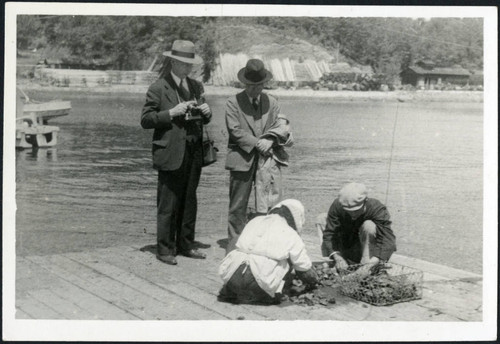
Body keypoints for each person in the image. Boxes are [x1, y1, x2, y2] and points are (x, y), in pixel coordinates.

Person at [141, 40, 212, 266]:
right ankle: (165, 249)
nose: (188, 68)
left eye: (190, 64)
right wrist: (171, 113)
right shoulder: (158, 88)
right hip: (170, 152)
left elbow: (203, 119)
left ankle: (185, 244)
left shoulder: (196, 87)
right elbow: (146, 120)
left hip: (193, 152)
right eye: (183, 63)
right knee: (168, 203)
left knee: (189, 200)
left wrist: (207, 113)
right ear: (173, 62)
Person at [225, 58, 292, 247]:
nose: (255, 89)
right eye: (251, 85)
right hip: (241, 159)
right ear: (244, 83)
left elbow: (281, 125)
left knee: (269, 203)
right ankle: (234, 245)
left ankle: (264, 243)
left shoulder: (272, 102)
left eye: (259, 85)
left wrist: (270, 140)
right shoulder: (232, 102)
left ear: (264, 84)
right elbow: (235, 130)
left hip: (267, 161)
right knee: (238, 206)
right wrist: (258, 143)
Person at [218, 199, 318, 305]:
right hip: (258, 285)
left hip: (232, 278)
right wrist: (314, 281)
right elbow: (303, 266)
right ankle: (267, 295)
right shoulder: (290, 232)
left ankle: (237, 292)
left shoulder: (254, 221)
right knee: (289, 260)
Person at [318, 182, 396, 272]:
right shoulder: (337, 205)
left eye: (356, 210)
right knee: (322, 218)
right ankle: (334, 258)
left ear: (365, 201)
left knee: (369, 225)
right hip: (347, 243)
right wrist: (338, 257)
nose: (352, 214)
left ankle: (367, 265)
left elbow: (388, 239)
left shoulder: (376, 208)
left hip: (366, 247)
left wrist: (375, 260)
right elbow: (329, 233)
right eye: (348, 211)